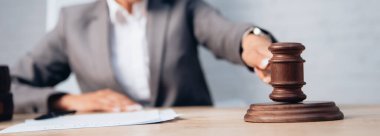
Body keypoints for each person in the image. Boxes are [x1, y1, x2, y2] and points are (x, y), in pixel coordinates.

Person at [11, 0, 276, 113]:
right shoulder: (72, 22)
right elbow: (12, 85)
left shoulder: (183, 7)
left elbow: (226, 33)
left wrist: (251, 40)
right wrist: (68, 101)